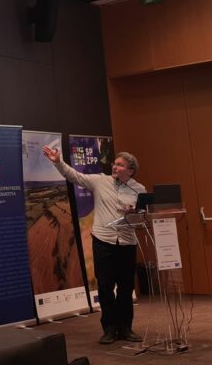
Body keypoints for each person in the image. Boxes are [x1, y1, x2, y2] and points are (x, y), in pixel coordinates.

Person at [42, 145, 145, 345]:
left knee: (126, 287)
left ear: (130, 171)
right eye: (114, 163)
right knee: (105, 287)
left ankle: (126, 328)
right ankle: (109, 329)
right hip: (104, 242)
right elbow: (74, 176)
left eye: (120, 165)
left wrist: (134, 213)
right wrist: (58, 162)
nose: (114, 167)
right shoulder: (100, 181)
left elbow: (142, 217)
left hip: (127, 242)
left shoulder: (139, 189)